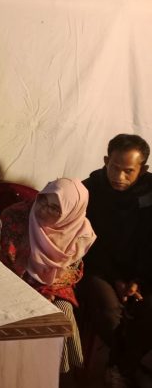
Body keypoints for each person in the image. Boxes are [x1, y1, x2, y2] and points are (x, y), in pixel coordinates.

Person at [0, 178, 96, 373]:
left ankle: (55, 373)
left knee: (63, 311)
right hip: (15, 280)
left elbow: (72, 271)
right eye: (42, 199)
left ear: (70, 213)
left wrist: (48, 290)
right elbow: (5, 261)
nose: (43, 208)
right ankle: (39, 371)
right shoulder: (16, 216)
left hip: (56, 285)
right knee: (49, 313)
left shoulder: (80, 232)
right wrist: (36, 292)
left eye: (54, 208)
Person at [79, 134, 152, 384]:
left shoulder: (151, 193)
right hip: (100, 267)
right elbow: (87, 244)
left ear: (143, 170)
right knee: (110, 314)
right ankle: (126, 368)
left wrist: (139, 280)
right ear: (105, 161)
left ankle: (120, 367)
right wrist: (117, 279)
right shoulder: (89, 190)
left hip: (143, 270)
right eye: (114, 167)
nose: (119, 176)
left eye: (128, 171)